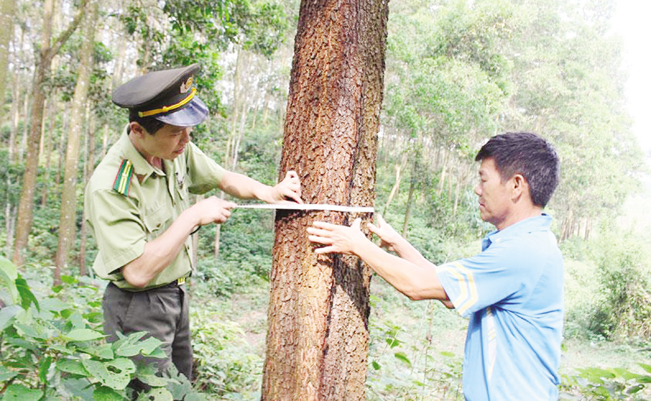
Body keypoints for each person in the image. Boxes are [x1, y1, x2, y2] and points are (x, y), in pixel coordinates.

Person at [84, 64, 302, 383]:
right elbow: (138, 272)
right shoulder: (112, 185)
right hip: (137, 308)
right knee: (147, 392)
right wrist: (192, 217)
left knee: (181, 384)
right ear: (137, 131)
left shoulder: (175, 149)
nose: (186, 139)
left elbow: (223, 178)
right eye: (176, 132)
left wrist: (269, 192)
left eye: (188, 130)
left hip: (176, 295)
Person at [307, 132, 563, 400]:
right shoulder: (530, 244)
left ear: (516, 185)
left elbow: (418, 286)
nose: (478, 188)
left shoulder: (522, 252)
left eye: (483, 178)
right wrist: (397, 243)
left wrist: (357, 244)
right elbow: (448, 292)